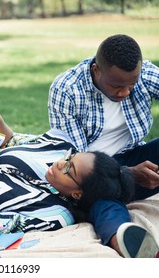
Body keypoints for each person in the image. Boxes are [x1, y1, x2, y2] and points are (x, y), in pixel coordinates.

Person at [0, 98, 135, 235]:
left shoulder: (54, 214)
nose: (61, 162)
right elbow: (13, 141)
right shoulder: (61, 148)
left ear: (78, 194)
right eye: (71, 158)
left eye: (68, 169)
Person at [48, 34, 159, 257]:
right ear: (97, 70)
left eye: (132, 84)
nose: (126, 92)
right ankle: (124, 239)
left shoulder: (144, 73)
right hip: (89, 173)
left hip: (133, 156)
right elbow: (77, 163)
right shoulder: (67, 89)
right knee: (102, 201)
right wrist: (127, 174)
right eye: (117, 85)